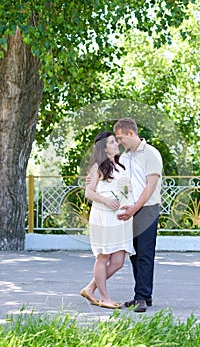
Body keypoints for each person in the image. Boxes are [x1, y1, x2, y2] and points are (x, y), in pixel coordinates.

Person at [80, 131, 135, 309]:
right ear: (104, 148)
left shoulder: (120, 166)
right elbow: (89, 192)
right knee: (103, 257)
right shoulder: (97, 166)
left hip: (119, 217)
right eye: (112, 142)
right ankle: (104, 297)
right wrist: (106, 200)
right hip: (103, 215)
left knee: (118, 260)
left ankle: (90, 288)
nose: (116, 144)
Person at [113, 117, 163, 312]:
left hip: (147, 209)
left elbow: (150, 187)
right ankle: (144, 295)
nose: (119, 142)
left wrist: (135, 208)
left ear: (131, 134)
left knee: (145, 253)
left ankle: (141, 296)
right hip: (130, 210)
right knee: (134, 254)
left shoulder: (151, 154)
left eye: (120, 138)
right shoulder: (125, 157)